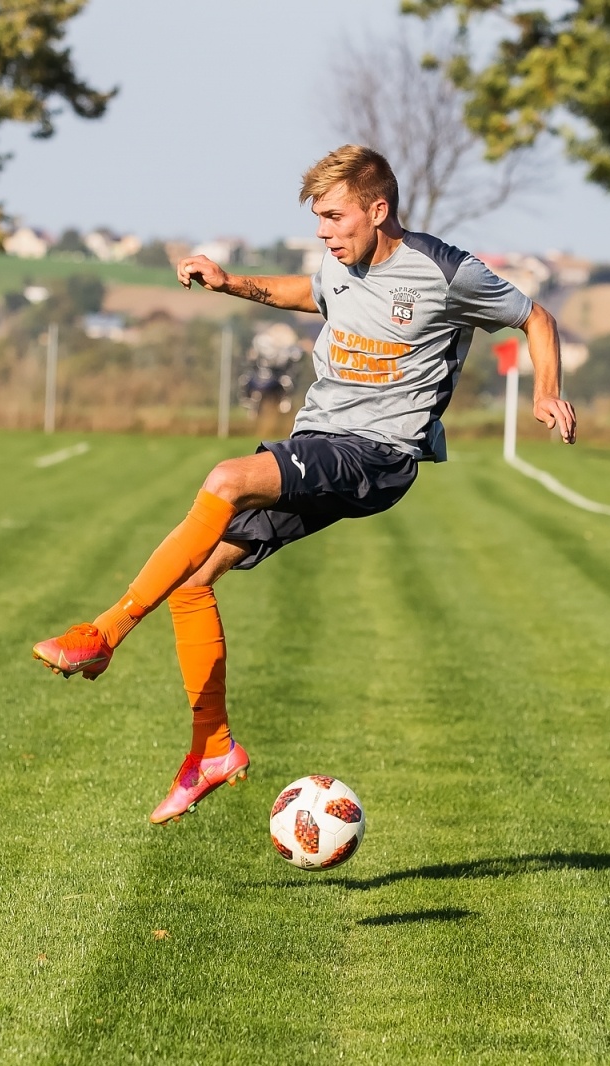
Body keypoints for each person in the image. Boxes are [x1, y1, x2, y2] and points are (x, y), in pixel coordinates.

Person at [30, 145, 576, 824]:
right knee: (192, 579)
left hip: (379, 455)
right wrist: (231, 283)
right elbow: (307, 291)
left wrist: (546, 391)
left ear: (378, 210)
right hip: (322, 442)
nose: (323, 230)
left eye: (333, 215)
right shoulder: (339, 265)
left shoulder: (442, 270)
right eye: (317, 217)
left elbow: (536, 317)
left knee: (226, 478)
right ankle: (213, 749)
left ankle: (105, 633)